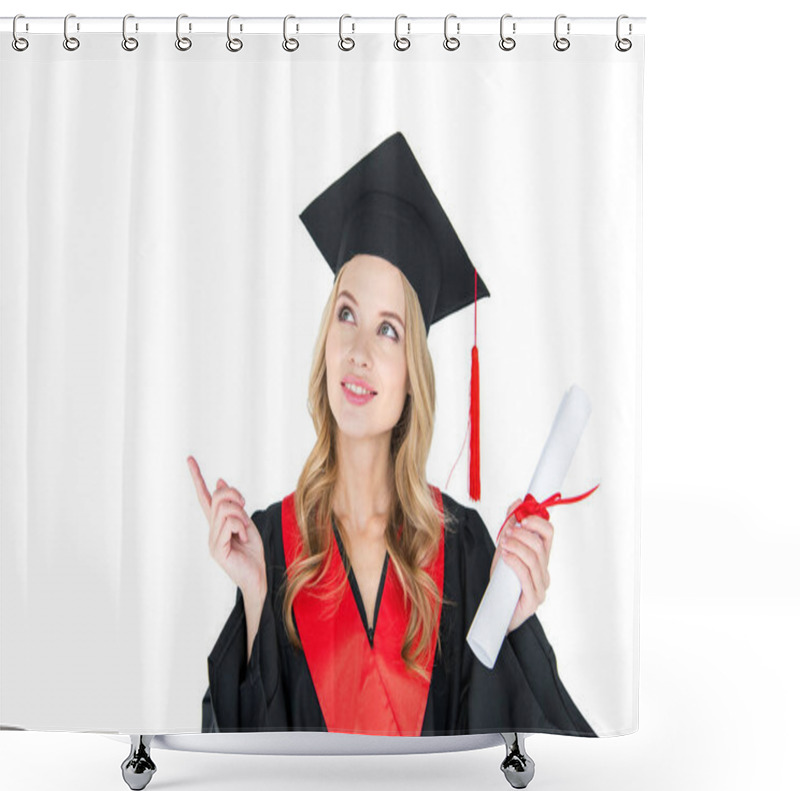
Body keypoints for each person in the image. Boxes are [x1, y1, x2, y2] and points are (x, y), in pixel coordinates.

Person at [190, 132, 595, 736]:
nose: (358, 351)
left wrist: (511, 625)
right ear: (325, 338)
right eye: (346, 315)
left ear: (413, 377)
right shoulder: (271, 543)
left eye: (389, 331)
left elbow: (522, 755)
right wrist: (254, 594)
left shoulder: (461, 549)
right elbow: (241, 760)